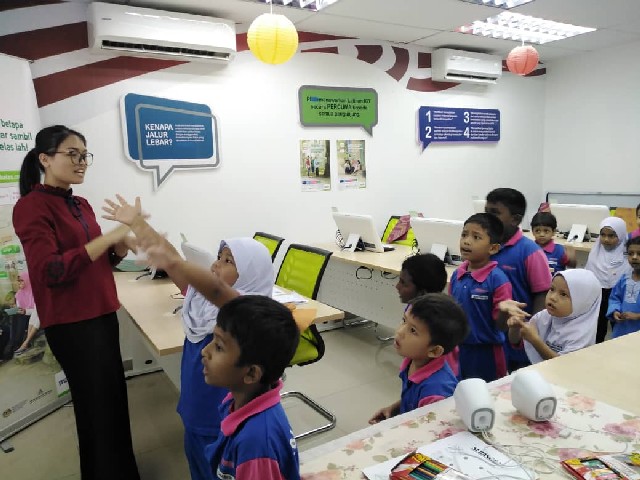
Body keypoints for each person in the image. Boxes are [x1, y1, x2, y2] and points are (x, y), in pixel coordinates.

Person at [103, 195, 275, 480]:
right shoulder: (202, 301)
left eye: (228, 261)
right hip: (195, 408)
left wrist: (165, 253)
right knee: (197, 465)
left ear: (250, 273)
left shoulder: (246, 311)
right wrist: (137, 224)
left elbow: (212, 288)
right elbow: (174, 263)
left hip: (221, 418)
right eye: (219, 257)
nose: (217, 264)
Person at [12, 125, 139, 479]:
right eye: (72, 154)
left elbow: (95, 262)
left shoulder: (80, 204)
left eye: (84, 155)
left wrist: (118, 248)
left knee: (113, 404)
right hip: (72, 325)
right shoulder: (30, 207)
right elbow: (50, 271)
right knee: (96, 411)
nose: (81, 162)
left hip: (102, 314)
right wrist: (108, 238)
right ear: (44, 159)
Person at [369, 293, 469, 424]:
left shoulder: (436, 393)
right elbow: (413, 400)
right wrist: (393, 409)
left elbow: (432, 431)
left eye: (413, 330)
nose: (400, 331)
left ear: (434, 351)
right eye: (404, 320)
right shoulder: (413, 361)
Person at [485, 188, 552, 372]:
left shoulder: (530, 252)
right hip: (490, 334)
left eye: (494, 213)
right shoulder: (485, 245)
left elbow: (542, 295)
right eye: (486, 211)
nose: (488, 218)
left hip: (517, 336)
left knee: (517, 380)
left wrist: (530, 333)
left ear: (515, 219)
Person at [449, 213, 512, 382]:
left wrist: (504, 312)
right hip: (459, 348)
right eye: (464, 235)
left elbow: (502, 326)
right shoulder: (457, 274)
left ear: (493, 248)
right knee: (461, 390)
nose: (466, 241)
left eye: (476, 237)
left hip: (487, 352)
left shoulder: (498, 280)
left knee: (488, 393)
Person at [503, 269, 601, 364]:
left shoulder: (580, 334)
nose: (552, 297)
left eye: (563, 294)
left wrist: (535, 340)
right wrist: (515, 328)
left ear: (582, 302)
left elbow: (561, 366)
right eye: (552, 289)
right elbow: (516, 342)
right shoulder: (544, 316)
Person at [585, 217, 630, 343]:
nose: (606, 239)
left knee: (619, 324)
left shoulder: (629, 254)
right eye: (603, 235)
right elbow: (589, 274)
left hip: (620, 293)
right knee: (598, 325)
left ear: (621, 235)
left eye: (611, 236)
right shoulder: (595, 252)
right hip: (599, 291)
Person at [607, 236, 640, 339]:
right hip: (622, 329)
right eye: (630, 253)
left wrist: (637, 316)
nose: (634, 257)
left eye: (639, 254)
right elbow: (615, 298)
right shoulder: (624, 278)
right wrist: (615, 311)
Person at [12, 270, 36, 356]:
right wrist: (16, 309)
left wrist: (25, 311)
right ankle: (15, 343)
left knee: (19, 317)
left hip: (32, 317)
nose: (20, 283)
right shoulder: (19, 294)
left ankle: (18, 343)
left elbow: (37, 311)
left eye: (22, 280)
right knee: (16, 316)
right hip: (23, 316)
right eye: (19, 281)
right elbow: (19, 308)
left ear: (27, 280)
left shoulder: (34, 293)